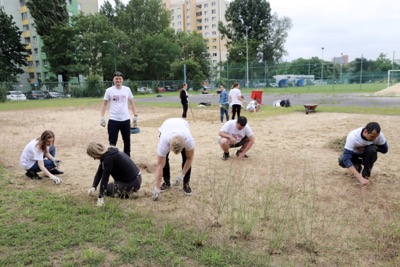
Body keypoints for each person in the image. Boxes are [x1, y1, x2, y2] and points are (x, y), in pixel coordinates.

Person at [86, 142, 142, 206]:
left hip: (132, 182)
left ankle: (130, 193)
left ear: (96, 153)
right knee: (109, 187)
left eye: (93, 156)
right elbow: (99, 172)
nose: (94, 159)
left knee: (107, 189)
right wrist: (94, 186)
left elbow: (105, 178)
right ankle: (128, 191)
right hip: (137, 178)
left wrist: (101, 198)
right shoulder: (109, 152)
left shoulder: (108, 158)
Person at [151, 118, 195, 200]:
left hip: (182, 124)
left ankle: (186, 183)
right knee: (164, 159)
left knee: (186, 157)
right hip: (166, 125)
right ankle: (166, 182)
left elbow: (190, 158)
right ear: (169, 146)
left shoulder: (188, 140)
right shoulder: (164, 141)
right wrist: (156, 189)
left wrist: (181, 175)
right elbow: (159, 165)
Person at [100, 71, 138, 157]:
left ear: (122, 80)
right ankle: (112, 158)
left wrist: (135, 116)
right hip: (113, 120)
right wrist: (102, 117)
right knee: (112, 142)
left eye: (120, 78)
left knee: (127, 141)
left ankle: (127, 158)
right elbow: (104, 104)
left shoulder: (127, 89)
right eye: (116, 78)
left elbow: (132, 103)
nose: (118, 80)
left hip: (125, 119)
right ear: (113, 80)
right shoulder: (109, 91)